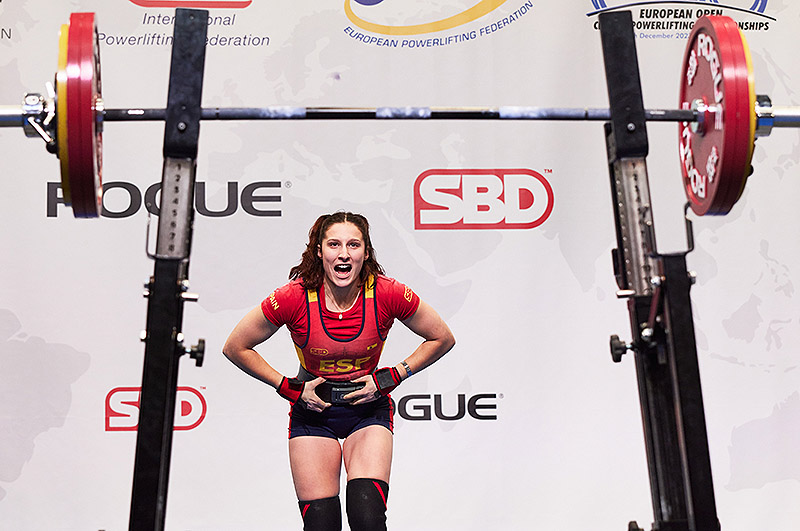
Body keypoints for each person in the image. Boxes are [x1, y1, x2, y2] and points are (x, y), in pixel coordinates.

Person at [222, 211, 455, 531]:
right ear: (319, 252)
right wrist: (288, 387)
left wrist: (391, 376)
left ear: (366, 253)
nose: (343, 254)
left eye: (353, 245)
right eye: (334, 244)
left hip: (367, 414)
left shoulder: (387, 292)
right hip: (313, 415)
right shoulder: (294, 296)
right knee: (321, 526)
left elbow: (442, 337)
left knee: (367, 518)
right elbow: (235, 347)